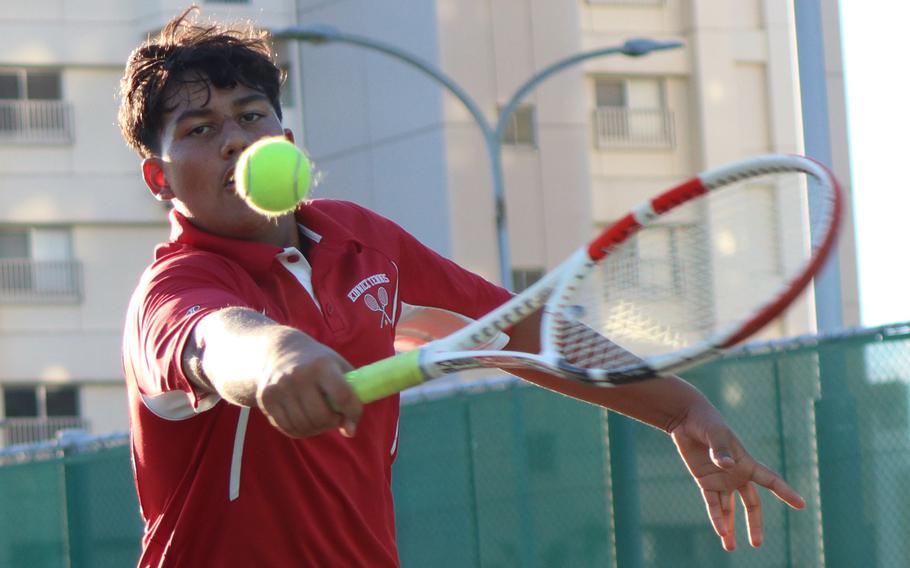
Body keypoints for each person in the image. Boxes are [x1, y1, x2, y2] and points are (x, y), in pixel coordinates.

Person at [118, 7, 805, 567]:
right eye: (200, 129)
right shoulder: (174, 285)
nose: (236, 139)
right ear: (160, 177)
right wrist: (278, 359)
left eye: (252, 115)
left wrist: (681, 407)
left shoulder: (363, 241)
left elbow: (522, 331)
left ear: (286, 136)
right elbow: (216, 339)